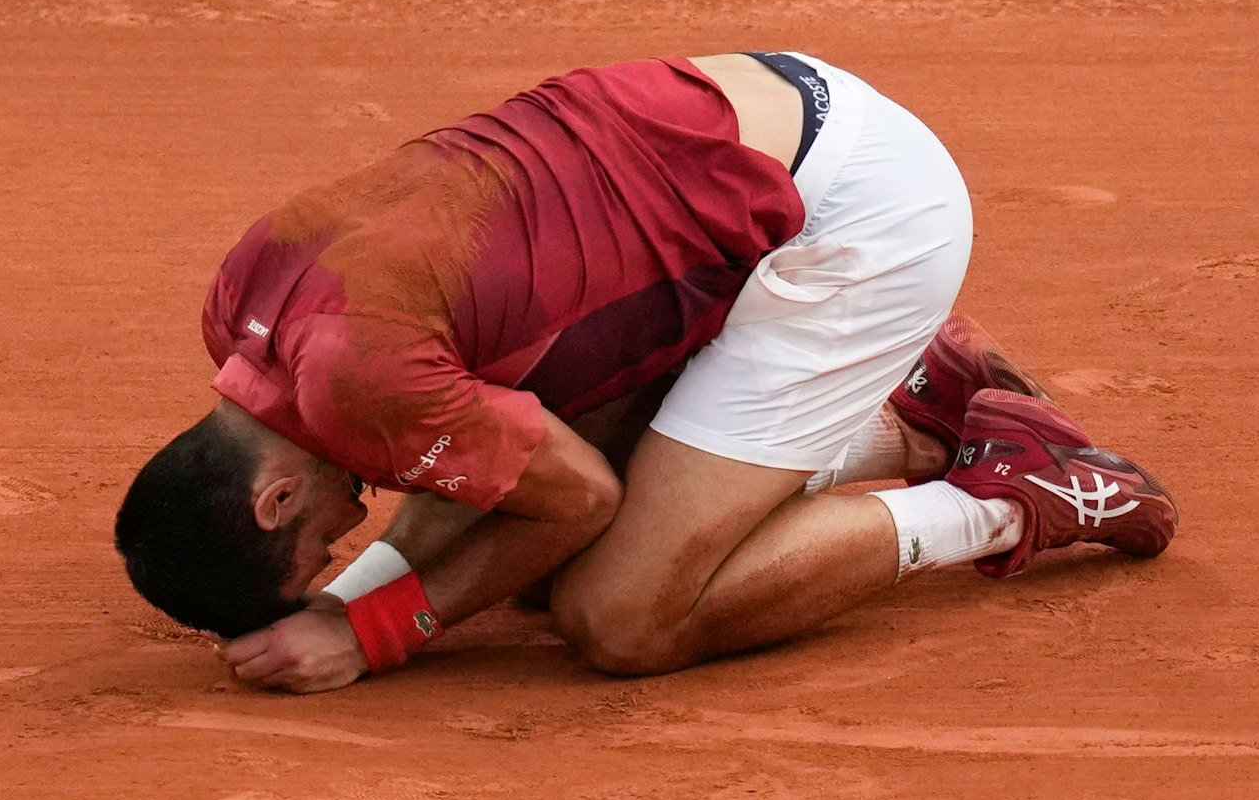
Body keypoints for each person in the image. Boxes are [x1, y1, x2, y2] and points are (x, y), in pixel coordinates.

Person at [115, 52, 1178, 692]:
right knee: (499, 530)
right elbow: (460, 472)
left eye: (319, 541)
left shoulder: (359, 383)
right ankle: (906, 404)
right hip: (746, 100)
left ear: (274, 496)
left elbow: (575, 499)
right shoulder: (241, 308)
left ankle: (1012, 493)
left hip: (854, 221)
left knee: (619, 615)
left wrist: (373, 631)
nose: (352, 519)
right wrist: (333, 613)